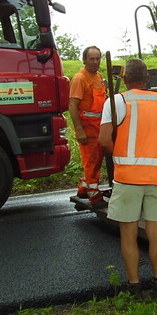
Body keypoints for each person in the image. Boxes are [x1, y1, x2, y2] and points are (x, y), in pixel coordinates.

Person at [99, 58, 157, 299]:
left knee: (129, 233)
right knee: (156, 231)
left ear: (124, 80)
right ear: (148, 79)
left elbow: (104, 140)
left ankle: (134, 287)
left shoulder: (117, 101)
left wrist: (122, 153)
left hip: (128, 178)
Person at [68, 45, 107, 204]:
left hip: (98, 127)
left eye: (98, 58)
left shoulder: (98, 76)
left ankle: (84, 188)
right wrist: (79, 130)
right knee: (91, 160)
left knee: (96, 160)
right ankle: (94, 194)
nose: (95, 62)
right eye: (92, 59)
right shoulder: (80, 79)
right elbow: (72, 106)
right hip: (87, 128)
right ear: (84, 60)